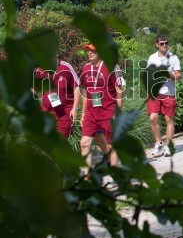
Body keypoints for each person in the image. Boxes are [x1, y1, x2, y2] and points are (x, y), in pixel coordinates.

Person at [79, 44, 124, 183]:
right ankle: (87, 177)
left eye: (93, 50)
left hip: (108, 111)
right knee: (84, 143)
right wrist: (83, 113)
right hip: (92, 113)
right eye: (88, 51)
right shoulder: (86, 68)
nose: (90, 53)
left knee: (111, 144)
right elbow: (85, 93)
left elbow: (119, 90)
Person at [147, 34, 182, 157]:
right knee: (153, 118)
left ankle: (169, 145)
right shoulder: (152, 58)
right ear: (157, 44)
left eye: (166, 43)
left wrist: (168, 74)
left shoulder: (173, 58)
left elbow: (178, 76)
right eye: (162, 43)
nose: (164, 45)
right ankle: (158, 143)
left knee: (169, 119)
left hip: (169, 92)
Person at [34, 57, 80, 138]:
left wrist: (75, 108)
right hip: (46, 110)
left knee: (60, 142)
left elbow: (77, 87)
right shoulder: (39, 68)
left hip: (64, 112)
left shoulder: (66, 67)